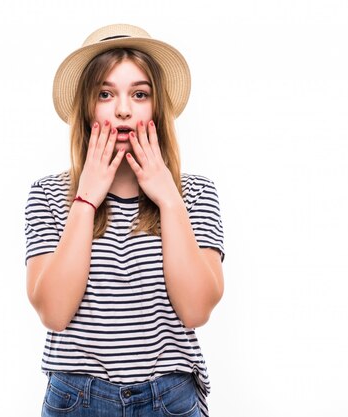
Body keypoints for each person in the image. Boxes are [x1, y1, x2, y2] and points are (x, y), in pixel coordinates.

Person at [24, 23, 225, 417]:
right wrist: (85, 200)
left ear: (156, 106)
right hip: (76, 399)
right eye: (105, 93)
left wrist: (168, 198)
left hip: (169, 399)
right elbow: (54, 312)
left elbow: (196, 310)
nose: (122, 109)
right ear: (86, 106)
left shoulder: (196, 193)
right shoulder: (47, 194)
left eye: (139, 93)